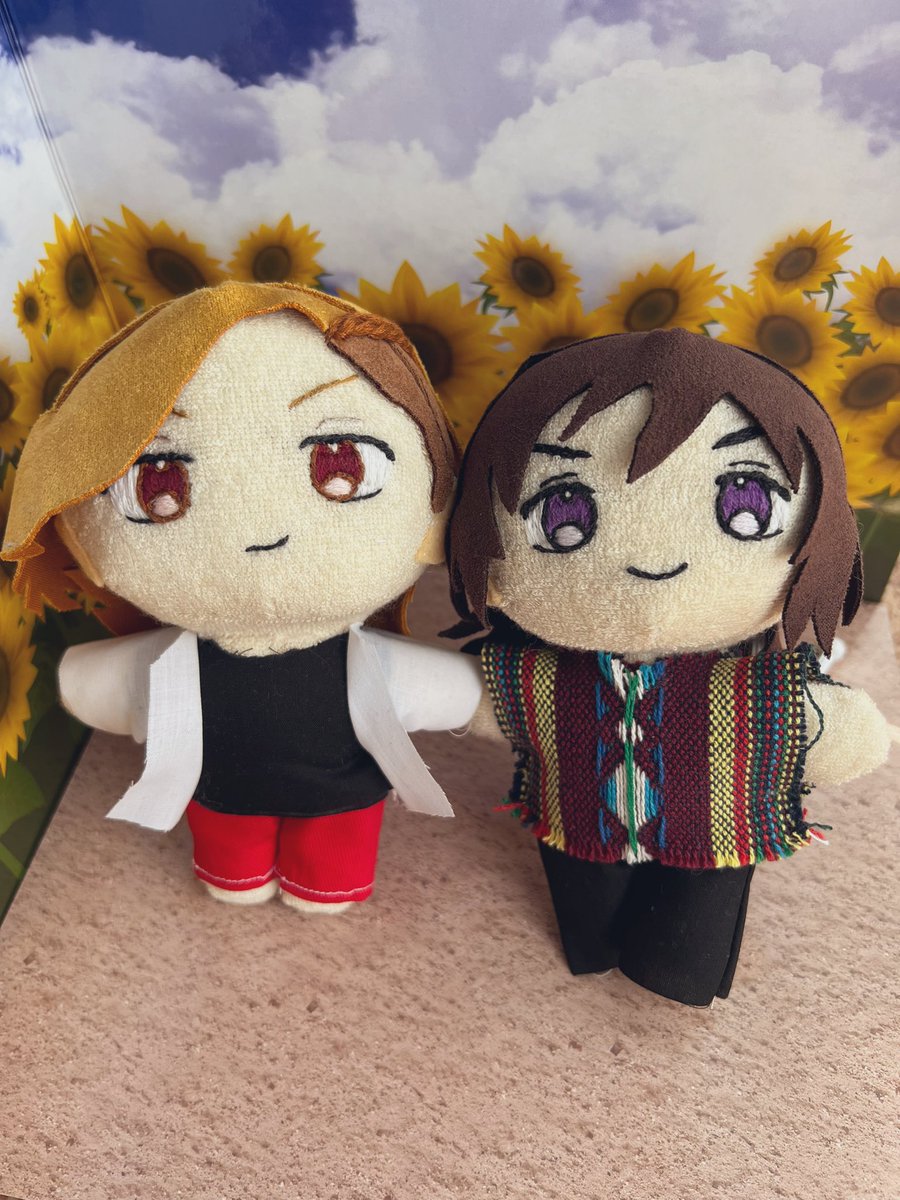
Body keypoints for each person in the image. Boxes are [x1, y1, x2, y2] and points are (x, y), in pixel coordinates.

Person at [3, 281, 482, 913]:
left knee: (329, 866)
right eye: (159, 486)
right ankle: (238, 876)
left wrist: (495, 700)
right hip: (220, 790)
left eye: (340, 466)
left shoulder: (367, 660)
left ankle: (319, 883)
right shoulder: (176, 658)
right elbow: (111, 684)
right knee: (231, 854)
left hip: (339, 796)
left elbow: (448, 692)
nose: (261, 529)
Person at [448, 328, 892, 1005]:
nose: (653, 561)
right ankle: (599, 948)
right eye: (564, 510)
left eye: (745, 505)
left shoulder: (761, 687)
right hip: (578, 826)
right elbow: (481, 698)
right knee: (587, 923)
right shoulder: (535, 676)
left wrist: (836, 726)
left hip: (717, 833)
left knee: (689, 951)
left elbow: (828, 728)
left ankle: (678, 972)